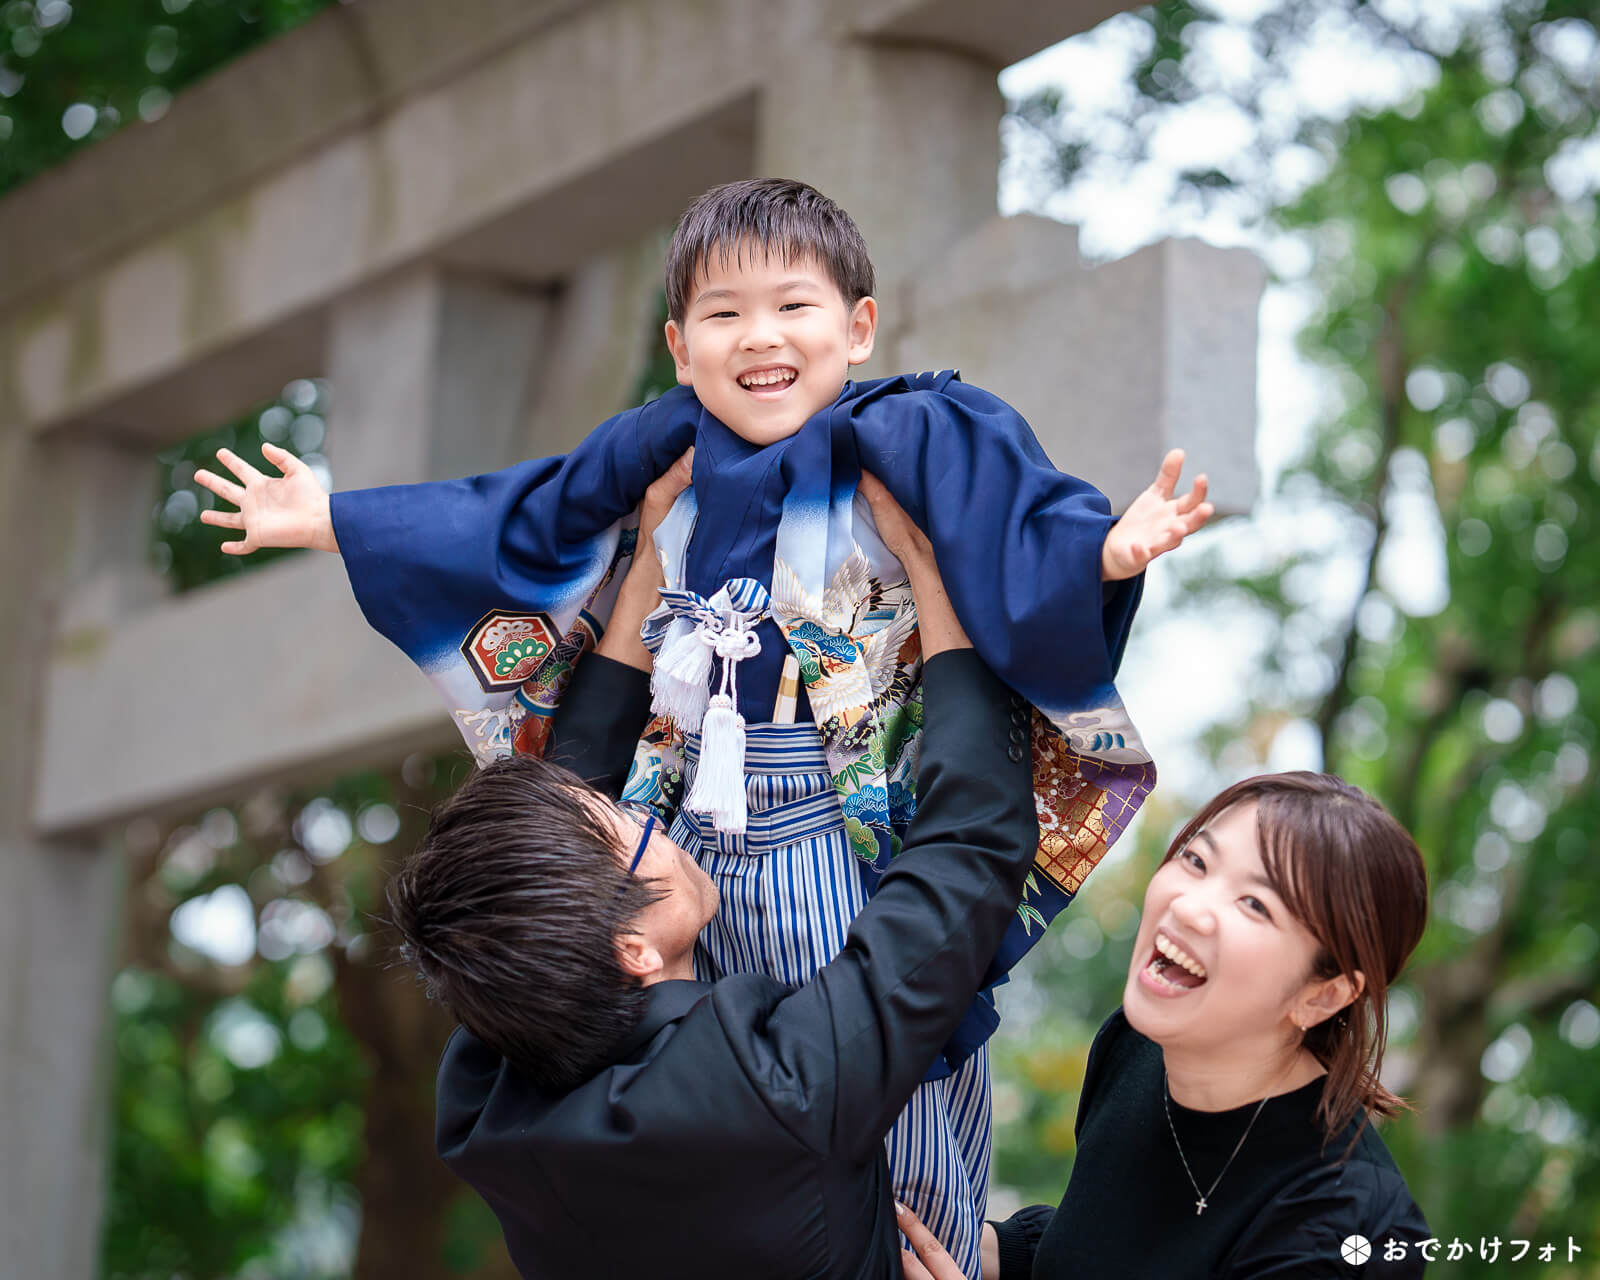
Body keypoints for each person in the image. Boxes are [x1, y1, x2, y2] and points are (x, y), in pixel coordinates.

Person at [195, 177, 1212, 1274]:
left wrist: (1103, 549)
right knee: (727, 1032)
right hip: (683, 804)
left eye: (794, 307)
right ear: (679, 345)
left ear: (859, 325)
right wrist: (336, 517)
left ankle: (937, 1244)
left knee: (900, 1052)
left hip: (833, 801)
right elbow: (521, 510)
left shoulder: (915, 427)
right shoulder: (664, 440)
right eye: (723, 315)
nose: (759, 339)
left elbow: (1013, 517)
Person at [386, 467, 1043, 1278]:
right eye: (635, 831)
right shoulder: (766, 1091)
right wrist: (942, 588)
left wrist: (650, 571)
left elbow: (565, 830)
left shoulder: (488, 1096)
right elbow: (969, 855)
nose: (647, 816)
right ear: (632, 951)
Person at [895, 772, 1432, 1280]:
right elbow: (1098, 1245)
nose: (1191, 907)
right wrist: (984, 1249)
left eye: (1254, 903)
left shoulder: (1351, 1226)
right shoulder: (1138, 1045)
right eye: (1197, 861)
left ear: (1323, 995)